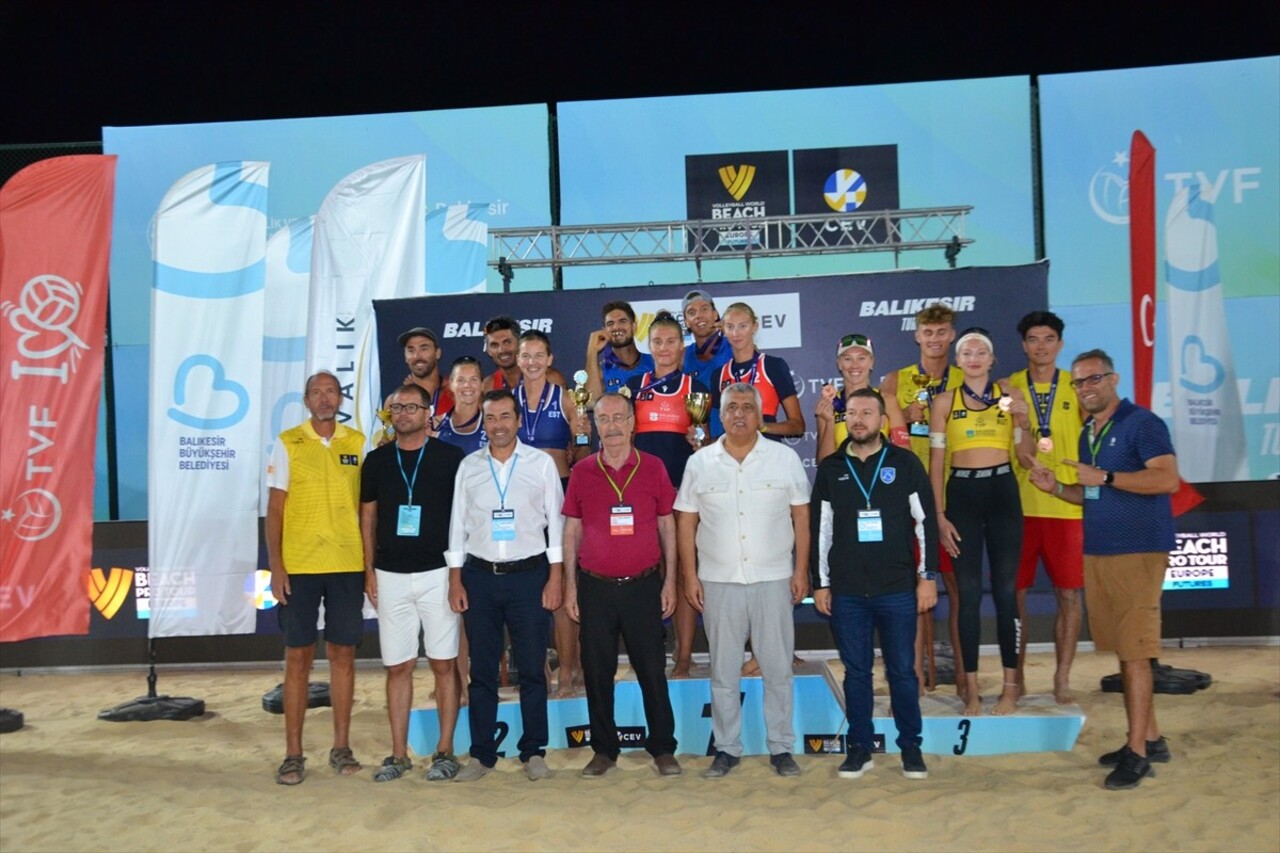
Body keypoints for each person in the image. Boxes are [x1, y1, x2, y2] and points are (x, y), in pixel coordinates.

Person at [1030, 349, 1179, 790]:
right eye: (1078, 382)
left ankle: (1136, 754)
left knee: (1135, 652)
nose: (1086, 388)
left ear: (1113, 379)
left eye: (1093, 379)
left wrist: (1107, 478)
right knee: (1124, 649)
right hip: (1099, 553)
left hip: (1138, 553)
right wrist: (1056, 487)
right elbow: (1089, 495)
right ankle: (1151, 739)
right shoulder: (1087, 432)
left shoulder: (1143, 424)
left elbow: (1166, 479)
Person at [675, 382, 811, 779]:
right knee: (723, 670)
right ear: (719, 415)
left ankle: (782, 748)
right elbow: (686, 521)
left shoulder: (783, 460)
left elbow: (801, 517)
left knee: (778, 669)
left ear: (760, 414)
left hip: (773, 578)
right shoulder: (700, 463)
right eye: (731, 407)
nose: (739, 414)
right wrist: (689, 575)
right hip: (718, 580)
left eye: (747, 408)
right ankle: (727, 749)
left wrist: (801, 570)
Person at [810, 388, 938, 780]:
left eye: (867, 412)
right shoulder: (832, 468)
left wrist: (927, 577)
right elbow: (821, 531)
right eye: (851, 413)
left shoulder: (905, 463)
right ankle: (860, 748)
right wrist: (821, 584)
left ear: (883, 418)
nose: (859, 419)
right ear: (843, 418)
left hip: (898, 588)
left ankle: (910, 748)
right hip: (848, 592)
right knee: (857, 672)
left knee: (901, 671)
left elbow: (926, 523)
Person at [446, 390, 565, 783]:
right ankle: (481, 755)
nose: (498, 425)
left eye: (504, 416)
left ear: (517, 420)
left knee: (533, 669)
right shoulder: (469, 467)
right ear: (484, 422)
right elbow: (457, 526)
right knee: (482, 672)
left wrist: (555, 576)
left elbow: (557, 526)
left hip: (530, 577)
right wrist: (455, 579)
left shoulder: (541, 465)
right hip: (479, 578)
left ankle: (534, 752)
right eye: (491, 418)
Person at [562, 392, 682, 778]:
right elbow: (572, 529)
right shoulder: (582, 471)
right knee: (597, 672)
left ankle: (663, 748)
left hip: (644, 585)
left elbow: (667, 524)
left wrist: (669, 582)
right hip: (594, 587)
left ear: (633, 422)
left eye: (619, 418)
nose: (611, 426)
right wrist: (569, 586)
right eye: (603, 419)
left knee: (652, 670)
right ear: (594, 425)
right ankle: (604, 750)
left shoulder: (653, 467)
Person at [359, 384, 465, 782]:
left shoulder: (451, 458)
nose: (403, 413)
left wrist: (457, 572)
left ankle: (445, 751)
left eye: (411, 407)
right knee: (398, 666)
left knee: (443, 663)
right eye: (396, 407)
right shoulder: (376, 461)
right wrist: (369, 569)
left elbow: (461, 518)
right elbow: (367, 518)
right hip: (390, 575)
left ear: (428, 412)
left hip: (438, 573)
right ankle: (399, 754)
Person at [265, 370, 366, 785]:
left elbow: (366, 511)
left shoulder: (358, 443)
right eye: (317, 392)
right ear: (306, 401)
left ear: (340, 398)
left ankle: (341, 748)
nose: (325, 399)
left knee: (343, 657)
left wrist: (370, 565)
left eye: (331, 391)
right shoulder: (288, 442)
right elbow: (275, 510)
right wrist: (276, 566)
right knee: (298, 659)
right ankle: (293, 754)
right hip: (300, 566)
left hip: (346, 563)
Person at [929, 328, 1033, 715]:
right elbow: (936, 463)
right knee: (968, 596)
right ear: (958, 361)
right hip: (962, 497)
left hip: (1003, 493)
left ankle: (1009, 687)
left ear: (991, 360)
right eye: (967, 352)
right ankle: (971, 688)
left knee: (1006, 594)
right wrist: (939, 515)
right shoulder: (944, 402)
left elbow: (1023, 455)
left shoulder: (1009, 398)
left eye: (981, 352)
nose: (973, 357)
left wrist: (1021, 422)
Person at [882, 303, 965, 695]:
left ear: (952, 336)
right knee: (910, 589)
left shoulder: (968, 377)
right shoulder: (895, 380)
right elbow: (877, 424)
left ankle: (966, 678)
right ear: (916, 336)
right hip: (906, 501)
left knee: (957, 588)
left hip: (955, 495)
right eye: (927, 333)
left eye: (942, 332)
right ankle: (912, 680)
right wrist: (902, 412)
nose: (934, 339)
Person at [1002, 311, 1084, 703]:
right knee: (1015, 596)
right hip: (1020, 507)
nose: (1041, 346)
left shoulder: (1078, 386)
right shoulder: (1009, 388)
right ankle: (1015, 678)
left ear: (1060, 344)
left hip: (1067, 507)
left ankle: (1062, 677)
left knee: (1069, 596)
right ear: (1023, 345)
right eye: (1033, 339)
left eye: (1048, 339)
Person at [626, 309, 710, 678]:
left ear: (682, 345)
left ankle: (685, 656)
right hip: (642, 494)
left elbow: (706, 445)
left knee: (681, 571)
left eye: (671, 341)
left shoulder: (696, 388)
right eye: (657, 341)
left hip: (683, 493)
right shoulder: (634, 385)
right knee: (648, 573)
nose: (663, 348)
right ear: (650, 344)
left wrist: (700, 442)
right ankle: (651, 652)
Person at [515, 329, 590, 696]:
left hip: (558, 492)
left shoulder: (564, 398)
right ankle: (539, 670)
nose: (531, 362)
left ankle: (569, 669)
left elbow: (581, 449)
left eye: (538, 356)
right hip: (516, 500)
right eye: (525, 355)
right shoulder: (505, 401)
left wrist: (579, 433)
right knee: (529, 588)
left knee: (561, 585)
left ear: (549, 360)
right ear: (517, 359)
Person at [710, 302, 804, 441]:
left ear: (754, 327)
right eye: (730, 327)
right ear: (723, 329)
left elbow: (798, 426)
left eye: (743, 326)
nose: (736, 333)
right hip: (733, 456)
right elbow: (720, 429)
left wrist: (764, 426)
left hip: (767, 452)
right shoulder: (719, 375)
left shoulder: (772, 366)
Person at [814, 333, 908, 465]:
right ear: (839, 364)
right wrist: (830, 423)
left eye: (861, 358)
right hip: (843, 479)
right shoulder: (829, 403)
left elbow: (904, 453)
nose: (855, 365)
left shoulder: (887, 401)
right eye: (847, 359)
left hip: (880, 478)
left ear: (872, 362)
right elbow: (824, 463)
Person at [583, 300, 654, 401]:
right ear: (604, 330)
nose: (616, 327)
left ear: (634, 327)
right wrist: (592, 352)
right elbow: (591, 403)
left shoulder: (654, 363)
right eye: (610, 323)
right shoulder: (602, 371)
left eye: (622, 321)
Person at [481, 315, 565, 392]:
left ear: (520, 344)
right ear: (488, 351)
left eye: (507, 342)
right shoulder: (488, 386)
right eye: (494, 345)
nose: (501, 350)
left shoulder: (550, 379)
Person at [397, 326, 453, 427]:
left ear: (437, 353)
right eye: (411, 350)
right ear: (405, 357)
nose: (417, 356)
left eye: (424, 349)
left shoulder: (456, 395)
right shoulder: (396, 402)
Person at [680, 289, 733, 392]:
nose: (699, 316)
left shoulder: (735, 346)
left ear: (715, 314)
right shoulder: (682, 356)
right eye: (692, 312)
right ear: (686, 322)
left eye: (704, 309)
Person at [436, 356, 487, 456]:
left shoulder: (492, 424)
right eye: (461, 380)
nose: (467, 385)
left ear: (482, 385)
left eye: (474, 379)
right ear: (451, 384)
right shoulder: (435, 426)